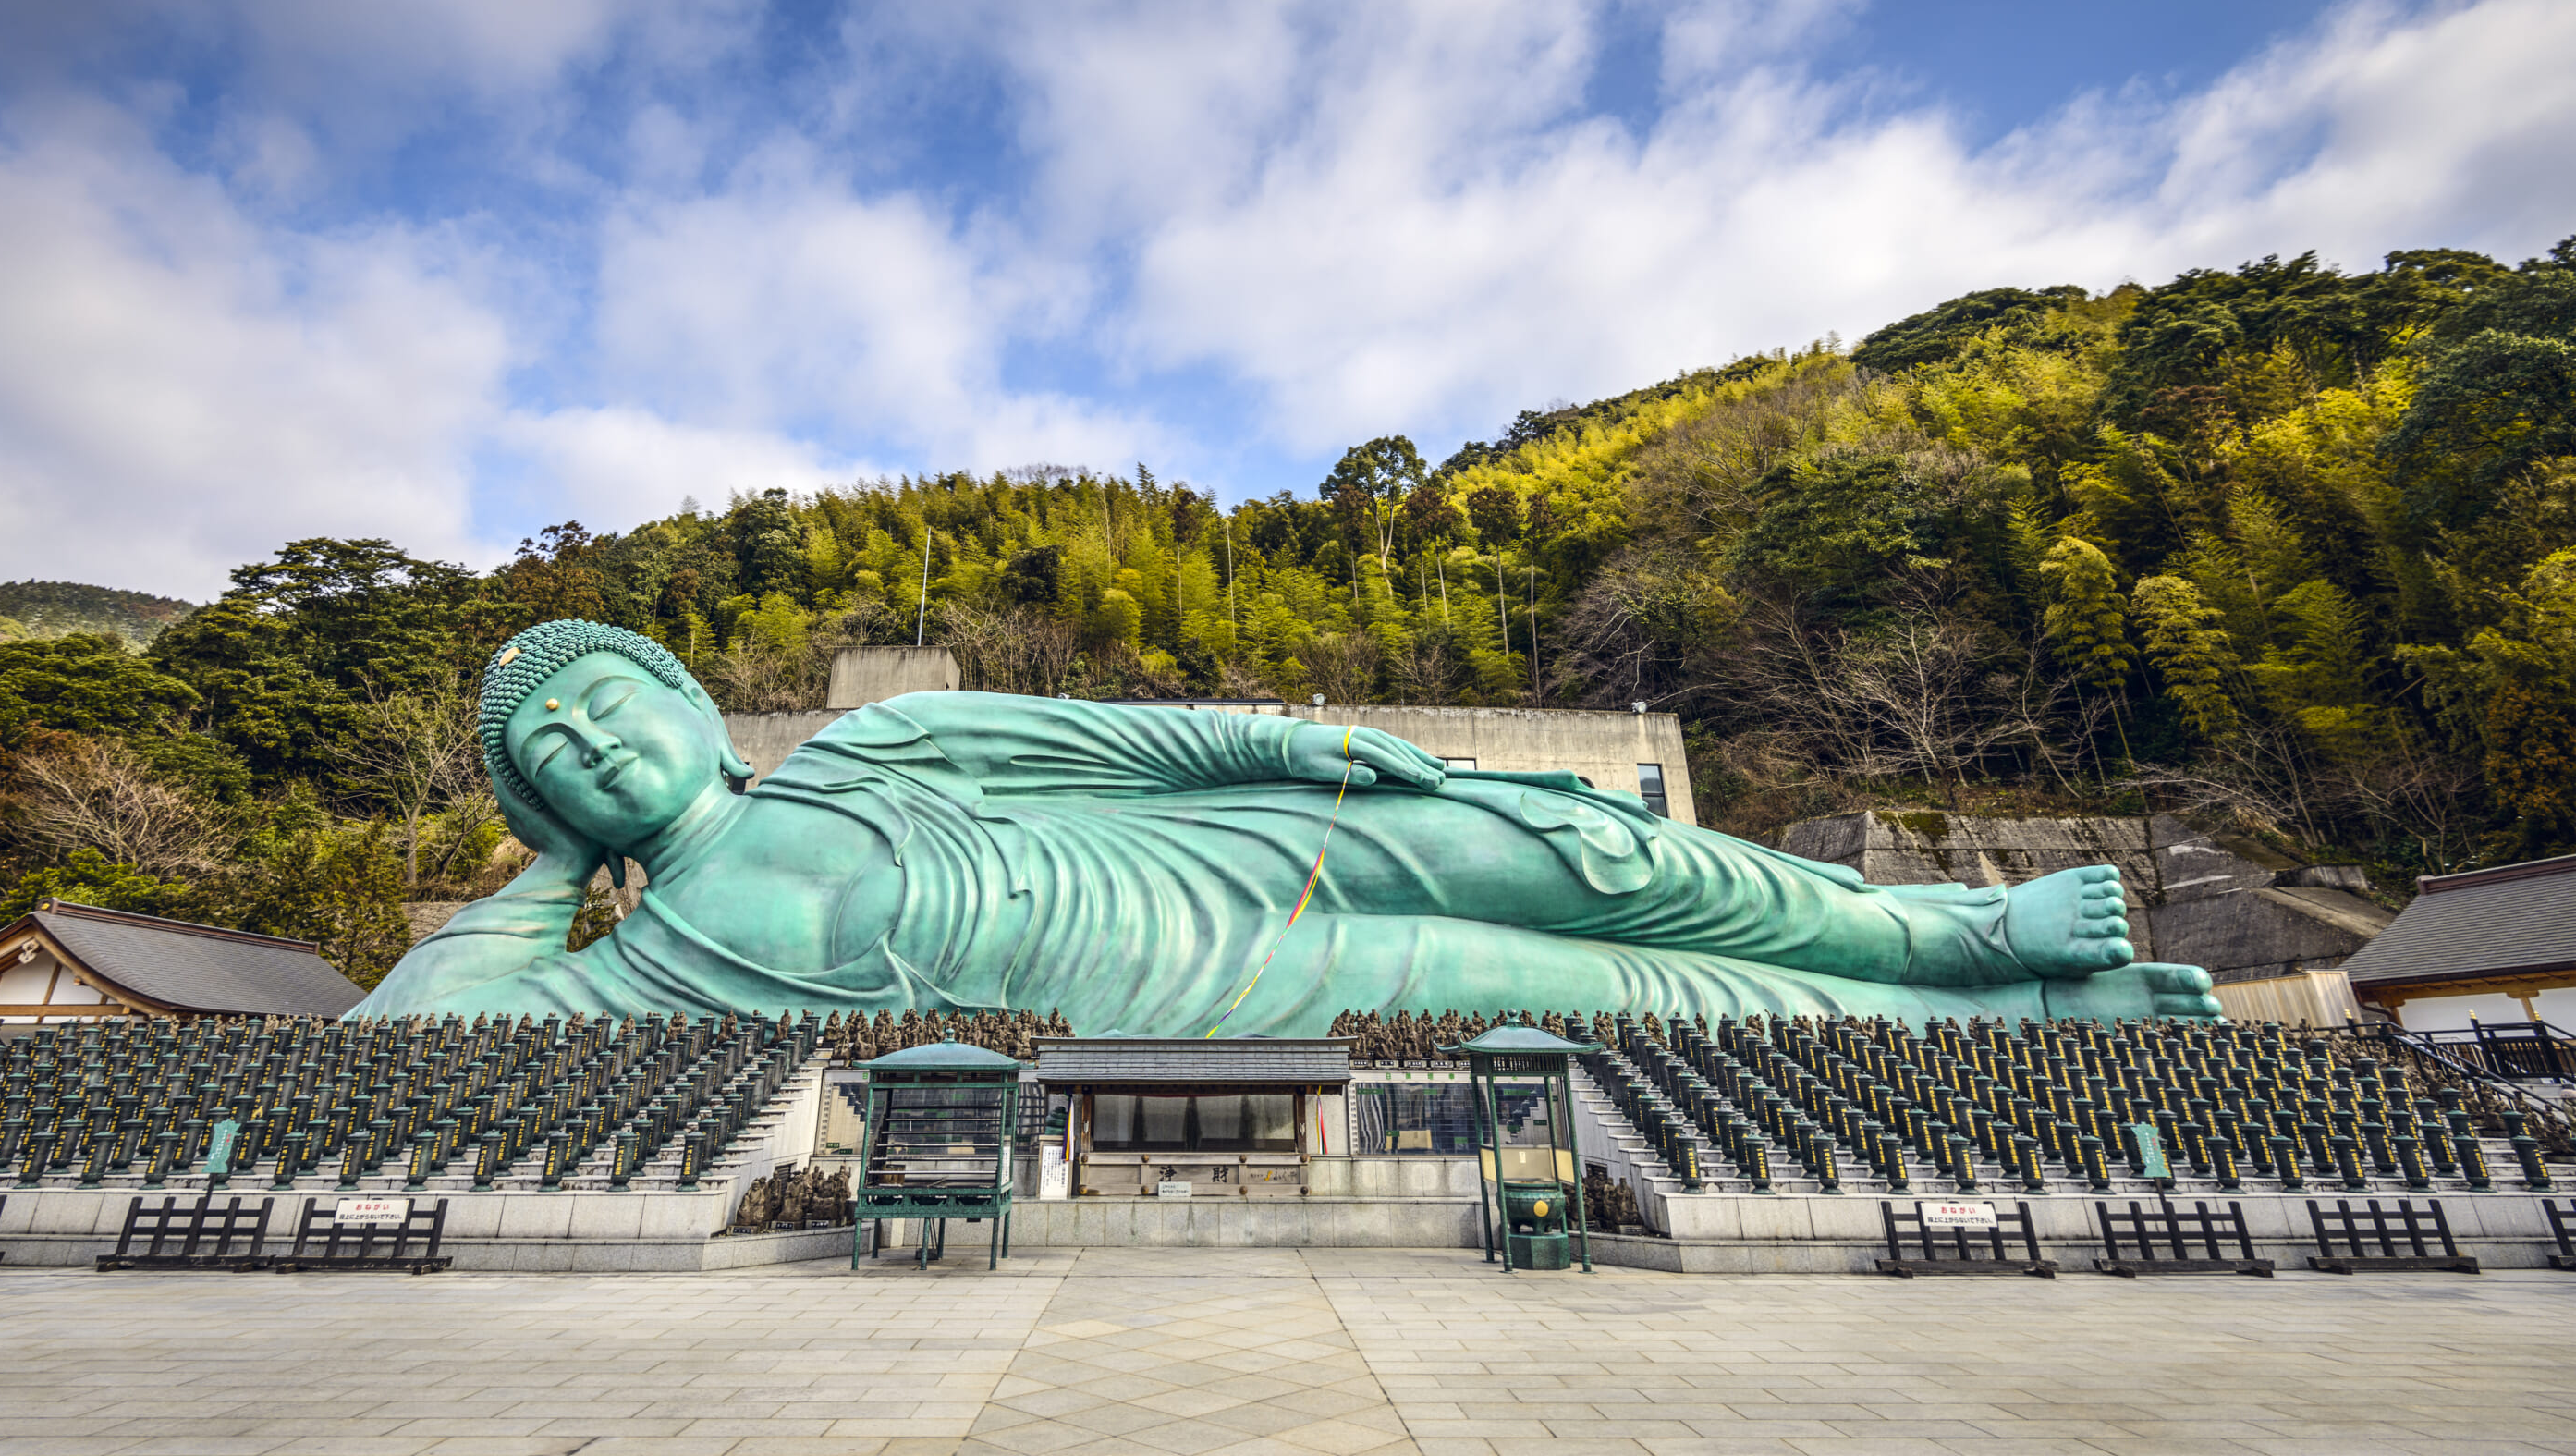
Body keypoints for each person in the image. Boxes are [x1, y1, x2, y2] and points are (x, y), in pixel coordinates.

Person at [350, 619, 2220, 1031]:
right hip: (1223, 985)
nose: (596, 746)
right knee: (1603, 999)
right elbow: (410, 1039)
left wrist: (1318, 746)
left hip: (1234, 852)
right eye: (554, 755)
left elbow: (1137, 742)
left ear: (690, 695)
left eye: (612, 701)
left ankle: (1946, 932)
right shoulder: (647, 964)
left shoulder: (880, 737)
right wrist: (544, 871)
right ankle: (1992, 1020)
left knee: (1586, 856)